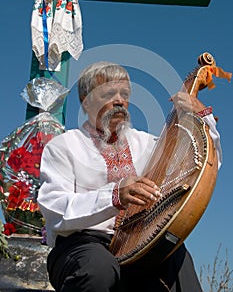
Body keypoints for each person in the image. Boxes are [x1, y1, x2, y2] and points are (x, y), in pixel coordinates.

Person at [38, 61, 222, 292]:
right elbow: (54, 207)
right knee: (99, 268)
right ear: (85, 101)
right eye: (108, 93)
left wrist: (201, 114)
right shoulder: (63, 146)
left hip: (140, 244)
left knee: (177, 255)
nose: (119, 101)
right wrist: (115, 196)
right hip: (81, 245)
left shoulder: (148, 145)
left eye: (124, 94)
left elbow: (198, 163)